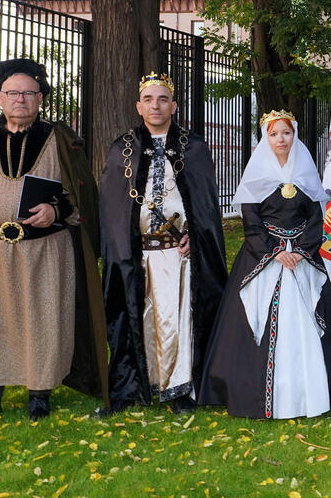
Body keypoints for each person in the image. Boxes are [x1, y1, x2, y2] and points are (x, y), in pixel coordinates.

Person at [0, 57, 107, 423]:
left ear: (40, 98)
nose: (20, 99)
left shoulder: (61, 141)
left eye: (29, 93)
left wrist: (57, 210)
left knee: (44, 318)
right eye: (13, 92)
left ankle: (39, 393)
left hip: (46, 249)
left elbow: (81, 195)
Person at [199, 110, 331, 419]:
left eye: (286, 133)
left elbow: (316, 217)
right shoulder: (257, 174)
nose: (281, 139)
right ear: (266, 138)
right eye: (274, 134)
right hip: (265, 257)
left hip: (302, 257)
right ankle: (256, 393)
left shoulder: (305, 172)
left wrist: (301, 250)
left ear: (294, 135)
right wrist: (274, 251)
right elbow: (251, 221)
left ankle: (312, 392)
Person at [98, 73, 229, 414]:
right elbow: (113, 209)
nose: (155, 106)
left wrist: (196, 238)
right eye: (149, 99)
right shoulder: (122, 149)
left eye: (162, 99)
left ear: (173, 105)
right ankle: (131, 385)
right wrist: (122, 245)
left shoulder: (193, 147)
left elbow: (204, 206)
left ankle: (178, 389)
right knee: (136, 318)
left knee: (175, 321)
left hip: (177, 254)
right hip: (136, 254)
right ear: (138, 106)